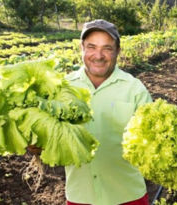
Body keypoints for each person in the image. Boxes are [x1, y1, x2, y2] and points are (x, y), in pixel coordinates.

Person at [64, 19, 153, 205]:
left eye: (107, 48)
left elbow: (153, 140)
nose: (99, 55)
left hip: (128, 196)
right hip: (81, 196)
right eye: (91, 47)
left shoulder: (135, 89)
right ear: (82, 48)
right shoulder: (64, 88)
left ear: (118, 51)